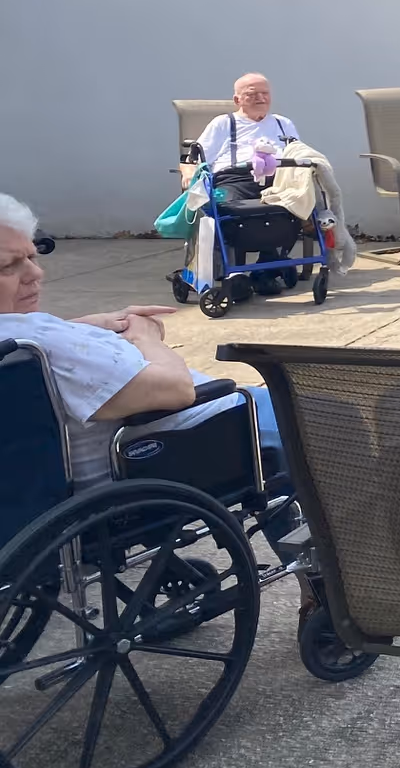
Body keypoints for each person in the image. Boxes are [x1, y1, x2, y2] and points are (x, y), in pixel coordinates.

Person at [0, 193, 277, 491]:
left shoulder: (22, 341)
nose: (35, 273)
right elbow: (176, 390)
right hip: (195, 440)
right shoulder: (44, 341)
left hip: (44, 490)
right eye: (7, 266)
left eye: (32, 257)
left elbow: (35, 344)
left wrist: (89, 325)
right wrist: (145, 337)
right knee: (317, 421)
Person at [193, 72, 303, 276]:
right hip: (234, 178)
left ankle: (268, 265)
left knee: (296, 203)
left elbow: (298, 152)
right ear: (237, 100)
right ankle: (234, 272)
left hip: (278, 178)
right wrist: (187, 175)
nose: (261, 98)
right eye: (253, 94)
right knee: (227, 208)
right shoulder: (223, 123)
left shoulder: (283, 123)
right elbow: (196, 158)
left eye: (265, 93)